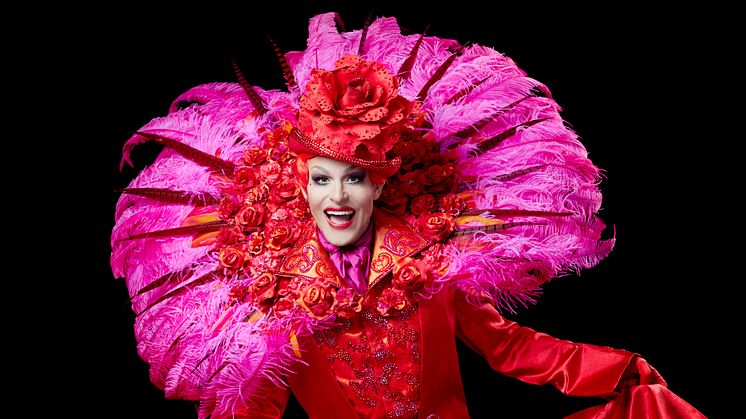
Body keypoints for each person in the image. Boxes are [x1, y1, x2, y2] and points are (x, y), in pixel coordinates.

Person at [110, 12, 705, 418]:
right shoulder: (271, 295)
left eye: (355, 178)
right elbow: (255, 404)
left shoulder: (429, 268)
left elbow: (509, 348)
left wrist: (618, 373)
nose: (337, 197)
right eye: (322, 179)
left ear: (380, 184)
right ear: (301, 185)